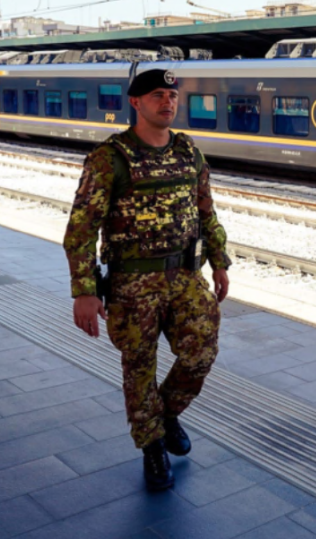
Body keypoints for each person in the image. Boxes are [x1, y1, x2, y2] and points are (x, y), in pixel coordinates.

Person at [63, 69, 231, 491]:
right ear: (135, 102)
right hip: (132, 283)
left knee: (201, 352)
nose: (168, 102)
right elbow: (81, 230)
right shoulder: (110, 158)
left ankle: (165, 414)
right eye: (158, 95)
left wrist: (220, 260)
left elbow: (206, 212)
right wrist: (84, 291)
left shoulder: (189, 152)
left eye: (172, 95)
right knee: (139, 366)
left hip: (186, 276)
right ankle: (152, 445)